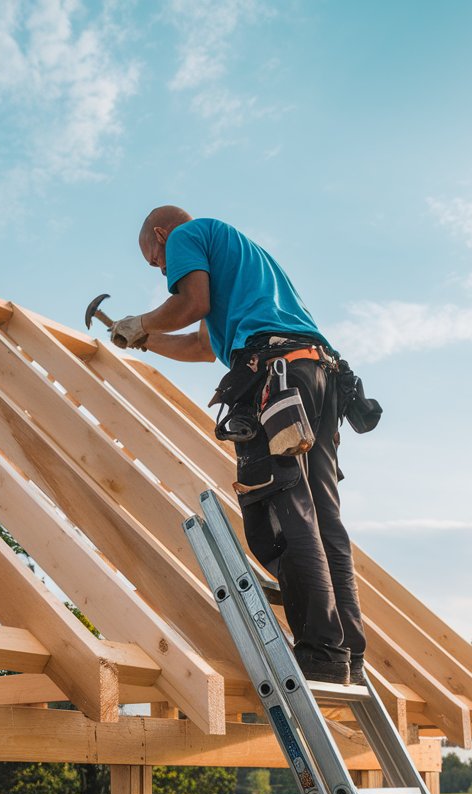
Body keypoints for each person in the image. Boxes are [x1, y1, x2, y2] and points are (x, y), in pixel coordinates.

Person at [109, 206, 366, 685]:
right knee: (323, 515)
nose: (164, 271)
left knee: (284, 511)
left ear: (162, 234)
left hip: (275, 376)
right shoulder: (241, 257)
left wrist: (143, 318)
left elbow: (191, 304)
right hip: (318, 376)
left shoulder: (187, 234)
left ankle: (320, 652)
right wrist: (147, 338)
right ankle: (348, 653)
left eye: (156, 260)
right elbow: (204, 346)